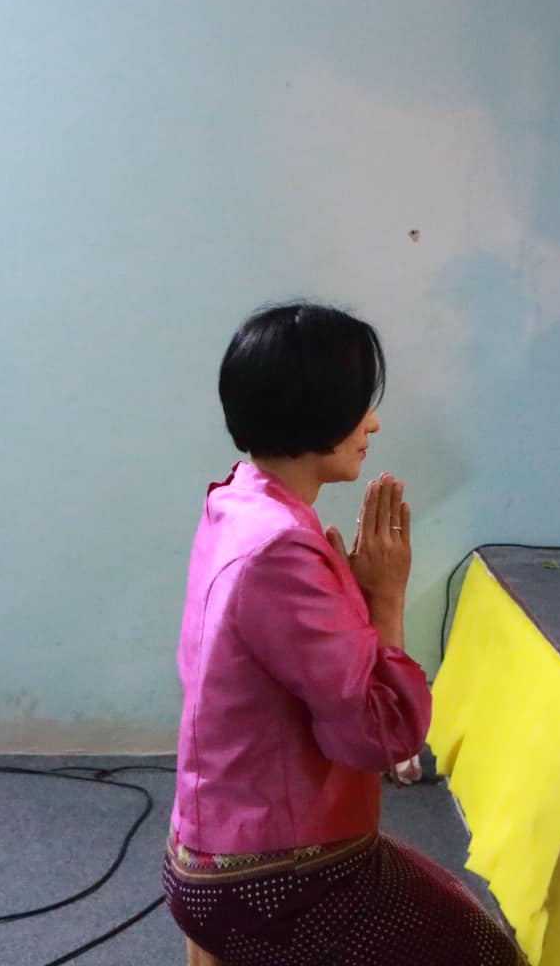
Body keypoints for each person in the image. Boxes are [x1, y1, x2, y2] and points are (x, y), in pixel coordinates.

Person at [165, 302, 521, 965]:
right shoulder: (281, 550)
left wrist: (347, 601)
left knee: (445, 894)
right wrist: (384, 599)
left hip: (207, 848)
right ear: (316, 408)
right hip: (273, 880)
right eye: (360, 406)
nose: (373, 424)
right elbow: (380, 737)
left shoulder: (237, 503)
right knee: (486, 951)